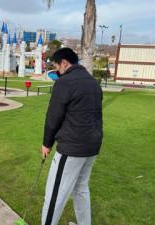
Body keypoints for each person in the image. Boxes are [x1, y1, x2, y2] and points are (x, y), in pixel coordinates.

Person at [40, 48, 103, 225]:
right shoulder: (93, 82)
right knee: (81, 188)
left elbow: (53, 116)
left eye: (56, 67)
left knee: (55, 193)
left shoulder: (65, 82)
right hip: (92, 146)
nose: (57, 72)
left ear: (65, 63)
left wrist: (46, 143)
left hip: (72, 147)